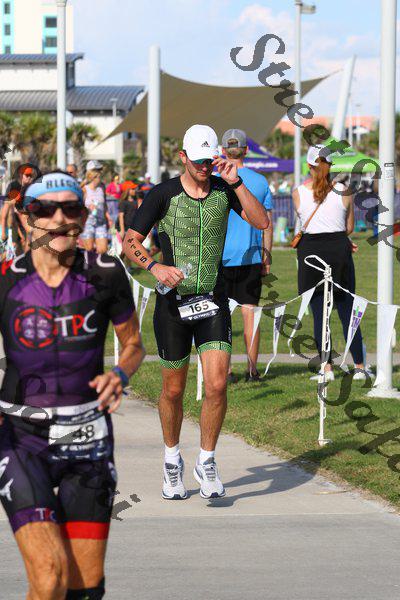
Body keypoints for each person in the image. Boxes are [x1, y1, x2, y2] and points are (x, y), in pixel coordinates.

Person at [0, 170, 144, 599]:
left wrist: (120, 374)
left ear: (83, 216)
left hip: (88, 437)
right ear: (27, 218)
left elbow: (133, 344)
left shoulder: (106, 273)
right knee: (49, 577)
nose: (59, 219)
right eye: (45, 209)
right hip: (22, 438)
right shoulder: (7, 279)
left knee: (83, 588)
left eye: (71, 208)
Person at [123, 124, 268, 500]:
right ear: (183, 157)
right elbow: (130, 241)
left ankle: (207, 460)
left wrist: (237, 183)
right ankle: (172, 459)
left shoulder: (225, 189)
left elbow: (262, 221)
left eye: (209, 160)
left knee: (217, 385)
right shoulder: (163, 194)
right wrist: (154, 266)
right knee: (173, 390)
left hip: (213, 301)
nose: (204, 167)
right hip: (173, 305)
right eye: (198, 160)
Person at [292, 144, 373, 381]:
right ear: (330, 165)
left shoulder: (298, 193)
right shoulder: (344, 191)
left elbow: (302, 222)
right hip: (338, 250)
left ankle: (326, 369)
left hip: (311, 253)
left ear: (309, 166)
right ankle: (359, 366)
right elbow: (349, 227)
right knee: (347, 310)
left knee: (320, 314)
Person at [220, 129, 274, 382]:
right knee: (250, 314)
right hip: (250, 256)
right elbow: (267, 224)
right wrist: (267, 255)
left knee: (221, 317)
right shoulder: (260, 181)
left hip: (220, 257)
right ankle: (252, 370)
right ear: (246, 150)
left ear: (223, 151)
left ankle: (226, 370)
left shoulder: (214, 180)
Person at [0, 164, 39, 255]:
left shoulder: (33, 187)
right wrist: (3, 231)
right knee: (14, 249)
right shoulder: (13, 185)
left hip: (27, 220)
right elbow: (6, 207)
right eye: (27, 175)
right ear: (21, 175)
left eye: (31, 176)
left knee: (28, 245)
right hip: (14, 222)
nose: (29, 178)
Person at [81, 169, 113, 254]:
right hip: (88, 222)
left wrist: (108, 217)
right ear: (93, 178)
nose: (100, 179)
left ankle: (98, 262)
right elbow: (79, 206)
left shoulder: (101, 189)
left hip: (101, 222)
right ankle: (89, 262)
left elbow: (104, 204)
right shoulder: (85, 189)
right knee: (89, 249)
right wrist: (88, 207)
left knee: (103, 250)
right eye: (98, 177)